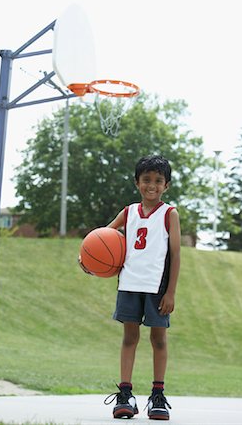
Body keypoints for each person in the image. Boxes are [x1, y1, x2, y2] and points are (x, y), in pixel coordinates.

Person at [80, 155, 181, 420]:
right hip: (129, 285)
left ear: (166, 185)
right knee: (129, 338)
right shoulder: (128, 212)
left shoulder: (170, 214)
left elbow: (176, 255)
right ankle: (125, 394)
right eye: (146, 180)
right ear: (137, 183)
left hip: (157, 286)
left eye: (158, 181)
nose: (152, 185)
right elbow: (103, 237)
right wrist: (87, 259)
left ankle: (157, 395)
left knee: (158, 340)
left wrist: (171, 292)